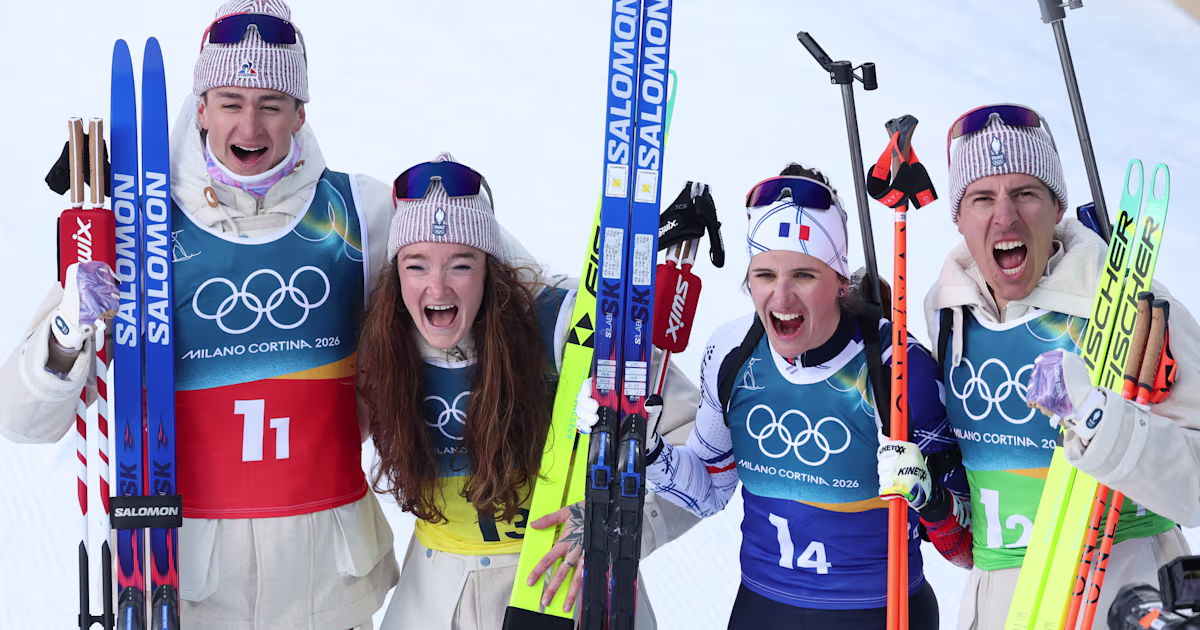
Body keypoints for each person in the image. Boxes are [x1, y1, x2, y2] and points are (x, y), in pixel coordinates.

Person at [0, 1, 400, 627]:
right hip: (181, 583)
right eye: (231, 100)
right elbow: (20, 420)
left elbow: (483, 278)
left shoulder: (360, 213)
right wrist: (67, 329)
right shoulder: (138, 225)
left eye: (272, 103)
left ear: (301, 111)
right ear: (202, 104)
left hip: (328, 581)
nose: (251, 124)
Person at [578, 163, 967, 629]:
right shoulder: (732, 353)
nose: (781, 298)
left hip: (878, 613)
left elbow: (965, 546)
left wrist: (929, 499)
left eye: (803, 275)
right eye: (764, 275)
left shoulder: (896, 369)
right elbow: (710, 490)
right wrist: (649, 449)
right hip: (762, 610)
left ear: (840, 280)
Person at [357, 153, 703, 630]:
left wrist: (615, 527)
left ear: (489, 267)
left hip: (562, 583)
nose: (437, 286)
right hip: (435, 594)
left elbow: (691, 437)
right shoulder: (382, 342)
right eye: (416, 266)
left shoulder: (560, 326)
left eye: (461, 264)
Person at [923, 103, 1199, 630]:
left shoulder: (1129, 305)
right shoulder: (945, 314)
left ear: (1057, 207)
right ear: (960, 218)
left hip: (1126, 597)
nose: (1005, 217)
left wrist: (1101, 421)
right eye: (982, 197)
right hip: (1005, 609)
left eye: (1025, 193)